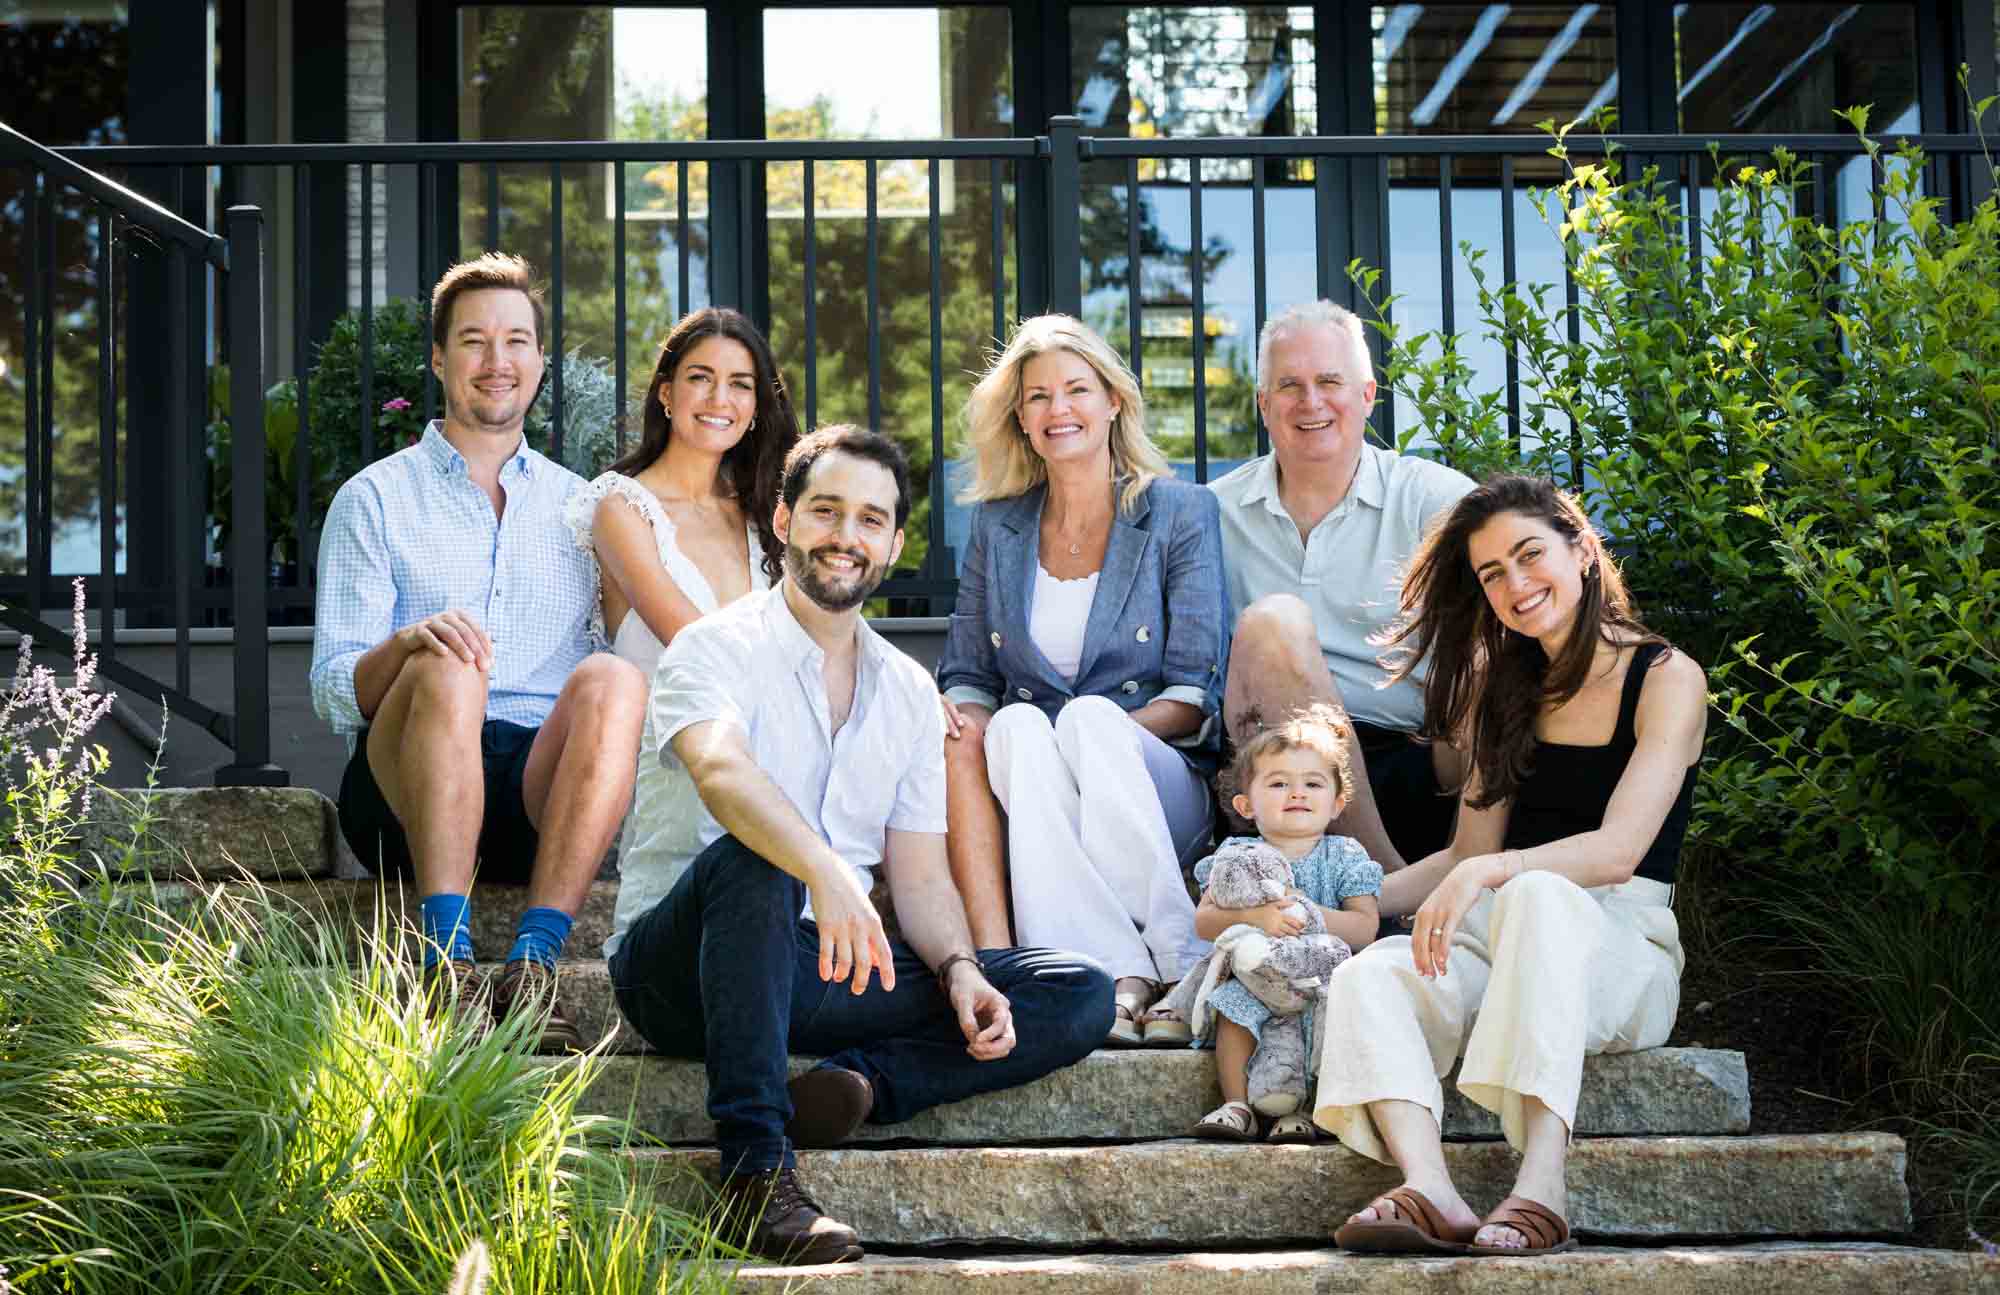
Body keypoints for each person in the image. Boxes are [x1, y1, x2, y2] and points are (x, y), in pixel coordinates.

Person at [608, 425, 1112, 1267]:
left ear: (896, 543)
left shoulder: (908, 690)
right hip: (683, 967)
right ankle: (755, 1173)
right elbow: (722, 771)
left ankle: (863, 1083)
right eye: (827, 511)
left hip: (817, 963)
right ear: (782, 520)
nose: (847, 536)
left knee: (1076, 991)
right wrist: (828, 870)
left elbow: (919, 876)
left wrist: (959, 970)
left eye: (871, 519)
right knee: (757, 855)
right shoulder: (714, 647)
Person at [1316, 474, 1705, 1256]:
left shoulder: (1667, 679)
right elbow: (1465, 855)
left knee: (1537, 894)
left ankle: (1542, 1183)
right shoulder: (1503, 690)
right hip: (1509, 935)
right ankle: (1430, 1186)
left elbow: (1617, 849)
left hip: (1622, 952)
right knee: (1371, 974)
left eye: (1530, 556)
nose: (1516, 585)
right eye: (1493, 574)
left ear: (1583, 550)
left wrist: (1491, 873)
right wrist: (1332, 904)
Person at [310, 252, 646, 1052]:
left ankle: (533, 967)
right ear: (438, 359)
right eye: (473, 341)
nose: (497, 361)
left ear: (538, 361)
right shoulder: (375, 498)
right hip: (403, 789)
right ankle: (446, 964)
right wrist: (408, 645)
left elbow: (611, 681)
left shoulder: (583, 506)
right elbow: (331, 692)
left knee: (613, 676)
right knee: (450, 656)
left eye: (516, 341)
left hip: (535, 796)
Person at [935, 314, 1227, 1046]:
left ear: (1113, 402)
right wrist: (956, 723)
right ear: (1022, 420)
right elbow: (968, 671)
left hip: (1156, 778)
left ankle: (1177, 952)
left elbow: (1194, 693)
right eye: (1037, 397)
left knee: (1086, 719)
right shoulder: (997, 527)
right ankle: (1113, 974)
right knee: (1012, 723)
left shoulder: (1180, 511)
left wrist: (1089, 734)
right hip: (1039, 779)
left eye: (1076, 390)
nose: (1057, 409)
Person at [1210, 300, 1474, 871]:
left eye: (1330, 380)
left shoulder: (1436, 500)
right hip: (1276, 770)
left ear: (1367, 395)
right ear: (1262, 404)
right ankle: (1385, 890)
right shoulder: (1211, 513)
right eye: (1289, 385)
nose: (1311, 402)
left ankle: (1475, 874)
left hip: (1414, 758)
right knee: (1273, 624)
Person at [563, 308, 799, 928]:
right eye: (701, 378)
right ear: (666, 393)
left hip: (772, 741)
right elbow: (695, 642)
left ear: (757, 404)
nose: (720, 398)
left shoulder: (764, 512)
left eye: (741, 383)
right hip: (677, 759)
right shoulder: (621, 505)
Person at [1174, 706, 1382, 1144]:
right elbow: (1204, 921)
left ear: (1337, 802)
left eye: (1312, 783)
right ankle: (1236, 1104)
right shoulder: (1236, 856)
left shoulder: (1344, 856)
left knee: (1325, 1024)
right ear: (1246, 805)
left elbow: (1365, 927)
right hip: (1255, 977)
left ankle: (1306, 1110)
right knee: (1233, 1008)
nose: (1297, 793)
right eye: (1278, 783)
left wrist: (1309, 912)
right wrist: (1255, 918)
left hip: (1320, 980)